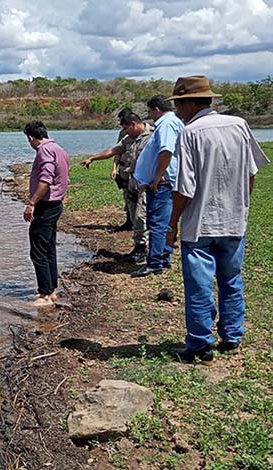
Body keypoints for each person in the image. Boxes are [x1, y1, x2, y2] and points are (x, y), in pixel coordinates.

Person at [165, 75, 269, 363]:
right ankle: (232, 335)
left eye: (178, 105)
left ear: (188, 104)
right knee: (231, 279)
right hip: (234, 221)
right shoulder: (239, 125)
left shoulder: (190, 133)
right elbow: (251, 173)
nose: (177, 112)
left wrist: (172, 224)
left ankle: (199, 344)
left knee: (199, 285)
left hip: (199, 224)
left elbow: (184, 187)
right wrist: (241, 206)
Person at [81, 113, 153, 263]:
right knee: (134, 214)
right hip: (133, 180)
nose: (125, 132)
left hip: (148, 182)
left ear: (134, 124)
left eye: (126, 128)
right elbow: (113, 150)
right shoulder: (129, 139)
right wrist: (93, 158)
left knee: (141, 215)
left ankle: (144, 249)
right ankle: (139, 247)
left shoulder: (154, 135)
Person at [131, 95, 184, 277]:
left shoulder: (167, 124)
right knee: (164, 221)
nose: (150, 115)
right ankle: (163, 257)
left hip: (162, 183)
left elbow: (166, 152)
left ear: (156, 109)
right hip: (163, 182)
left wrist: (156, 178)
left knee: (157, 223)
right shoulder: (169, 123)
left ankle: (155, 262)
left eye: (150, 111)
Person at [23, 121, 70, 307]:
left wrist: (31, 203)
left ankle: (44, 295)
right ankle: (51, 291)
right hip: (55, 205)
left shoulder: (44, 151)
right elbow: (65, 176)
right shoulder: (59, 149)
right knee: (49, 248)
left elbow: (46, 179)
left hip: (46, 206)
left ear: (31, 137)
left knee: (38, 251)